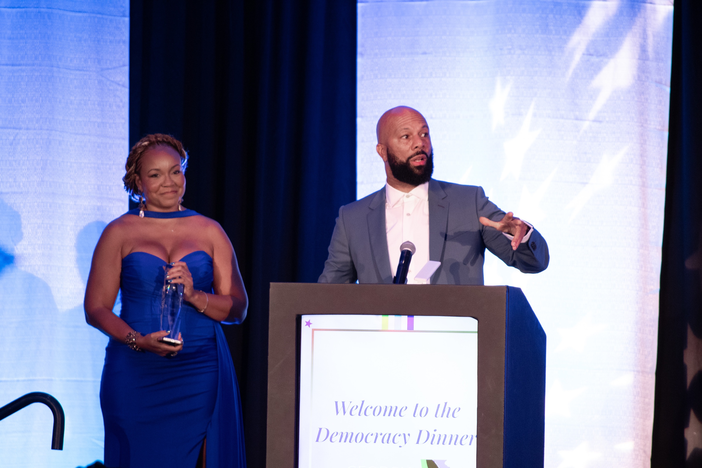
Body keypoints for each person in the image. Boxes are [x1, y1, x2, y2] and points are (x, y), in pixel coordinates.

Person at [84, 134, 248, 468]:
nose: (169, 182)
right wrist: (138, 341)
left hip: (199, 371)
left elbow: (238, 308)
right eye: (156, 174)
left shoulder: (209, 230)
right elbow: (96, 308)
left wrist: (194, 295)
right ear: (137, 182)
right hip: (133, 372)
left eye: (175, 171)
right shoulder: (119, 232)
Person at [318, 106, 549, 284]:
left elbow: (534, 263)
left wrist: (521, 234)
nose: (420, 143)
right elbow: (329, 294)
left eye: (425, 134)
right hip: (383, 343)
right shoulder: (352, 218)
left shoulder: (469, 203)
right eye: (406, 137)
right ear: (382, 151)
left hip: (455, 342)